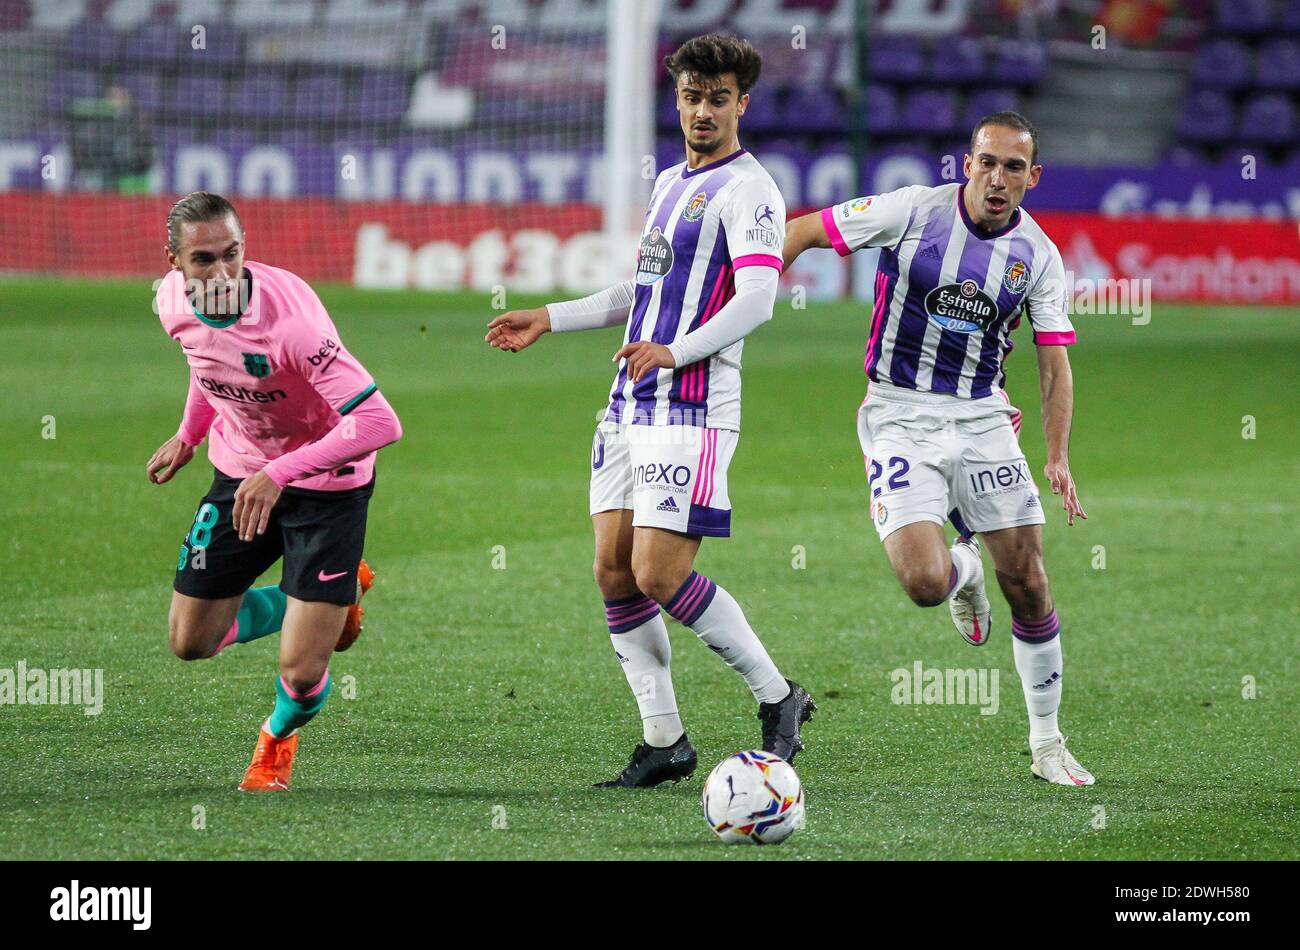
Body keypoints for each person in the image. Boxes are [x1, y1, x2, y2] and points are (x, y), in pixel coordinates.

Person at [485, 34, 814, 787]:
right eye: (693, 96)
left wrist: (677, 351)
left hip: (692, 408)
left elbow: (759, 298)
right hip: (629, 404)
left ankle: (779, 696)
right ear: (678, 99)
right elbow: (643, 294)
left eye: (719, 98)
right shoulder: (670, 183)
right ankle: (665, 741)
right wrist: (552, 316)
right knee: (613, 573)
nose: (703, 110)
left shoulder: (751, 191)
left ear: (742, 105)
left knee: (659, 572)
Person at [782, 112, 1094, 786]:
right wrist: (743, 301)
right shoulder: (912, 212)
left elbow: (1053, 362)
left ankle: (1047, 744)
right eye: (987, 162)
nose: (997, 178)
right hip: (898, 414)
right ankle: (965, 574)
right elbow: (804, 232)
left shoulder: (1037, 255)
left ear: (1032, 178)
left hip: (982, 420)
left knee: (1032, 582)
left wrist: (1058, 457)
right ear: (967, 163)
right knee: (925, 584)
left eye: (1014, 167)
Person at [146, 192, 402, 791]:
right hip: (240, 472)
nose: (222, 273)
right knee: (190, 641)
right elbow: (205, 363)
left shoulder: (291, 326)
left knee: (302, 671)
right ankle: (320, 604)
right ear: (175, 262)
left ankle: (276, 740)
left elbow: (380, 424)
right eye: (204, 259)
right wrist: (189, 435)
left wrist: (282, 471)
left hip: (326, 485)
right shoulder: (170, 302)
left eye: (232, 255)